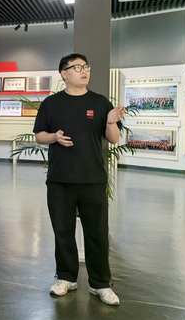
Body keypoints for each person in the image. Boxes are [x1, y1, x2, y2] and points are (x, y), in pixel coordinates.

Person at [33, 53, 125, 306]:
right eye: (77, 67)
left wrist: (110, 122)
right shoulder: (51, 103)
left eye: (86, 66)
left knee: (97, 233)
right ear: (64, 74)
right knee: (62, 231)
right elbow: (39, 136)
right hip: (60, 179)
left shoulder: (100, 102)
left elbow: (113, 138)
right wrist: (54, 137)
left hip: (93, 179)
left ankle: (100, 283)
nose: (84, 71)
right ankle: (66, 277)